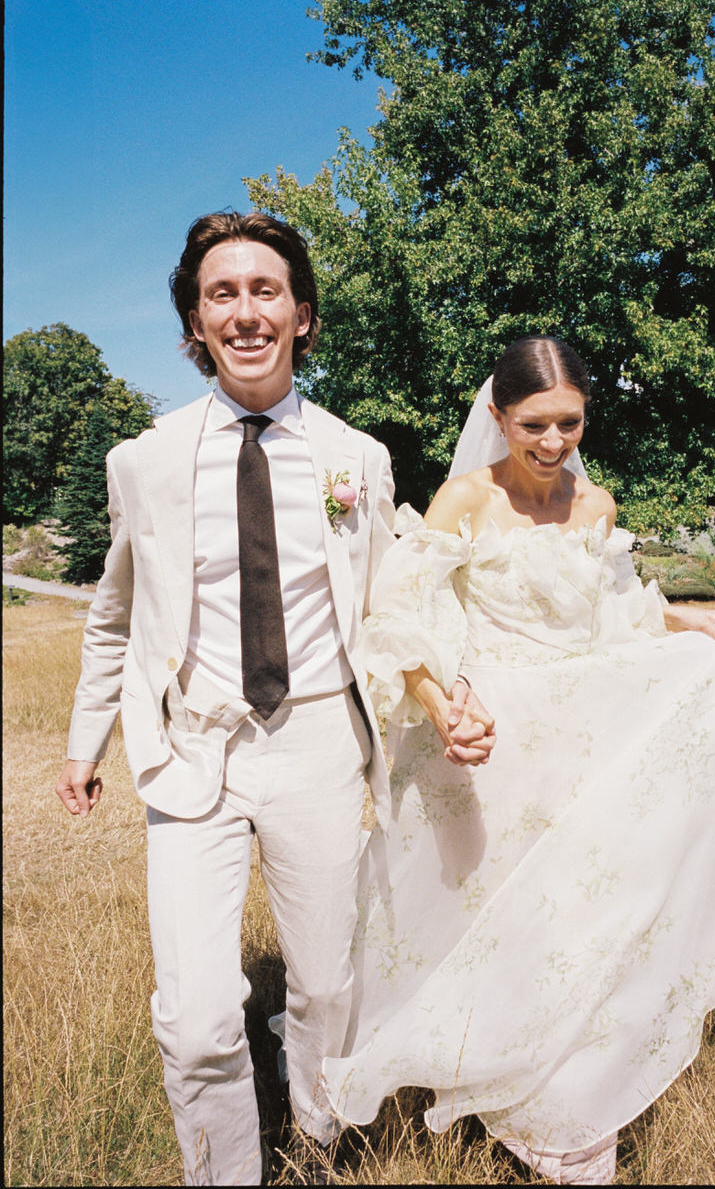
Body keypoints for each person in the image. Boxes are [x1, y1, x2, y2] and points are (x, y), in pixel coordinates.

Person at [53, 210, 493, 1187]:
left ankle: (317, 1138)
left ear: (301, 315)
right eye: (221, 294)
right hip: (192, 753)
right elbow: (116, 615)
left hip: (319, 749)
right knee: (196, 1011)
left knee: (328, 983)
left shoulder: (357, 461)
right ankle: (224, 1175)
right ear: (195, 323)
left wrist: (448, 694)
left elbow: (391, 608)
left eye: (264, 291)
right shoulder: (145, 462)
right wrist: (86, 743)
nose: (244, 311)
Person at [321, 336, 715, 1183]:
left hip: (583, 735)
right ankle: (495, 1071)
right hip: (496, 735)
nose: (551, 443)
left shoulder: (598, 502)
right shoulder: (464, 499)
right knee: (505, 922)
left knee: (586, 922)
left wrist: (686, 624)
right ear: (499, 416)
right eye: (533, 424)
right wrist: (442, 706)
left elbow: (609, 617)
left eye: (568, 423)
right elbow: (403, 622)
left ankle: (565, 1112)